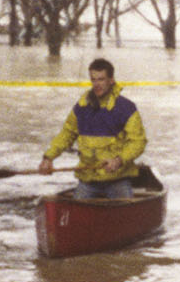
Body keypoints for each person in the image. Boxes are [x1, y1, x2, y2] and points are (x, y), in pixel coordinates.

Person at [40, 58, 146, 199]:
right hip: (88, 180)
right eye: (93, 80)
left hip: (117, 180)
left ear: (111, 80)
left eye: (101, 79)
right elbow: (66, 134)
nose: (97, 84)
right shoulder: (81, 107)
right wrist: (48, 157)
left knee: (127, 213)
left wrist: (118, 160)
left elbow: (138, 142)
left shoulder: (126, 108)